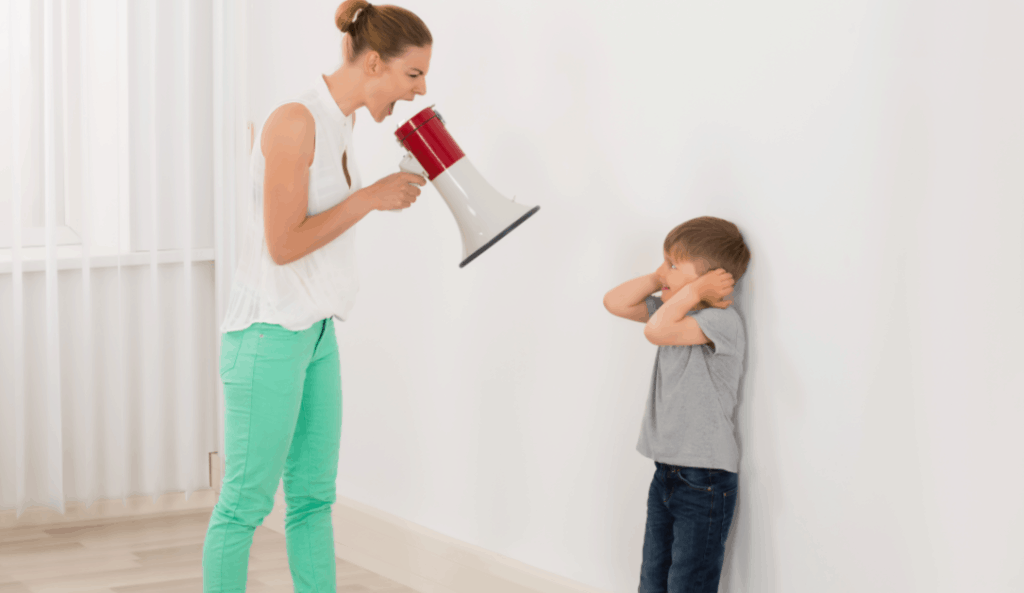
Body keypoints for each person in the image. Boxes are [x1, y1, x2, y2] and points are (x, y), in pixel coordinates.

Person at [202, 2, 431, 590]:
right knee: (244, 506)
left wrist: (375, 195)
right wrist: (369, 197)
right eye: (413, 75)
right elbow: (282, 244)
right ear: (375, 63)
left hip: (316, 333)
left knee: (312, 499)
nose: (419, 90)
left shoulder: (342, 122)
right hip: (267, 333)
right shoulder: (295, 120)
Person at [603, 216, 752, 593]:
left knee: (688, 582)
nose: (662, 270)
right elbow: (615, 302)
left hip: (705, 478)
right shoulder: (676, 312)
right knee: (653, 577)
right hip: (668, 470)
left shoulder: (721, 321)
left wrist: (689, 292)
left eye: (672, 264)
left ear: (709, 280)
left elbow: (655, 332)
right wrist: (662, 279)